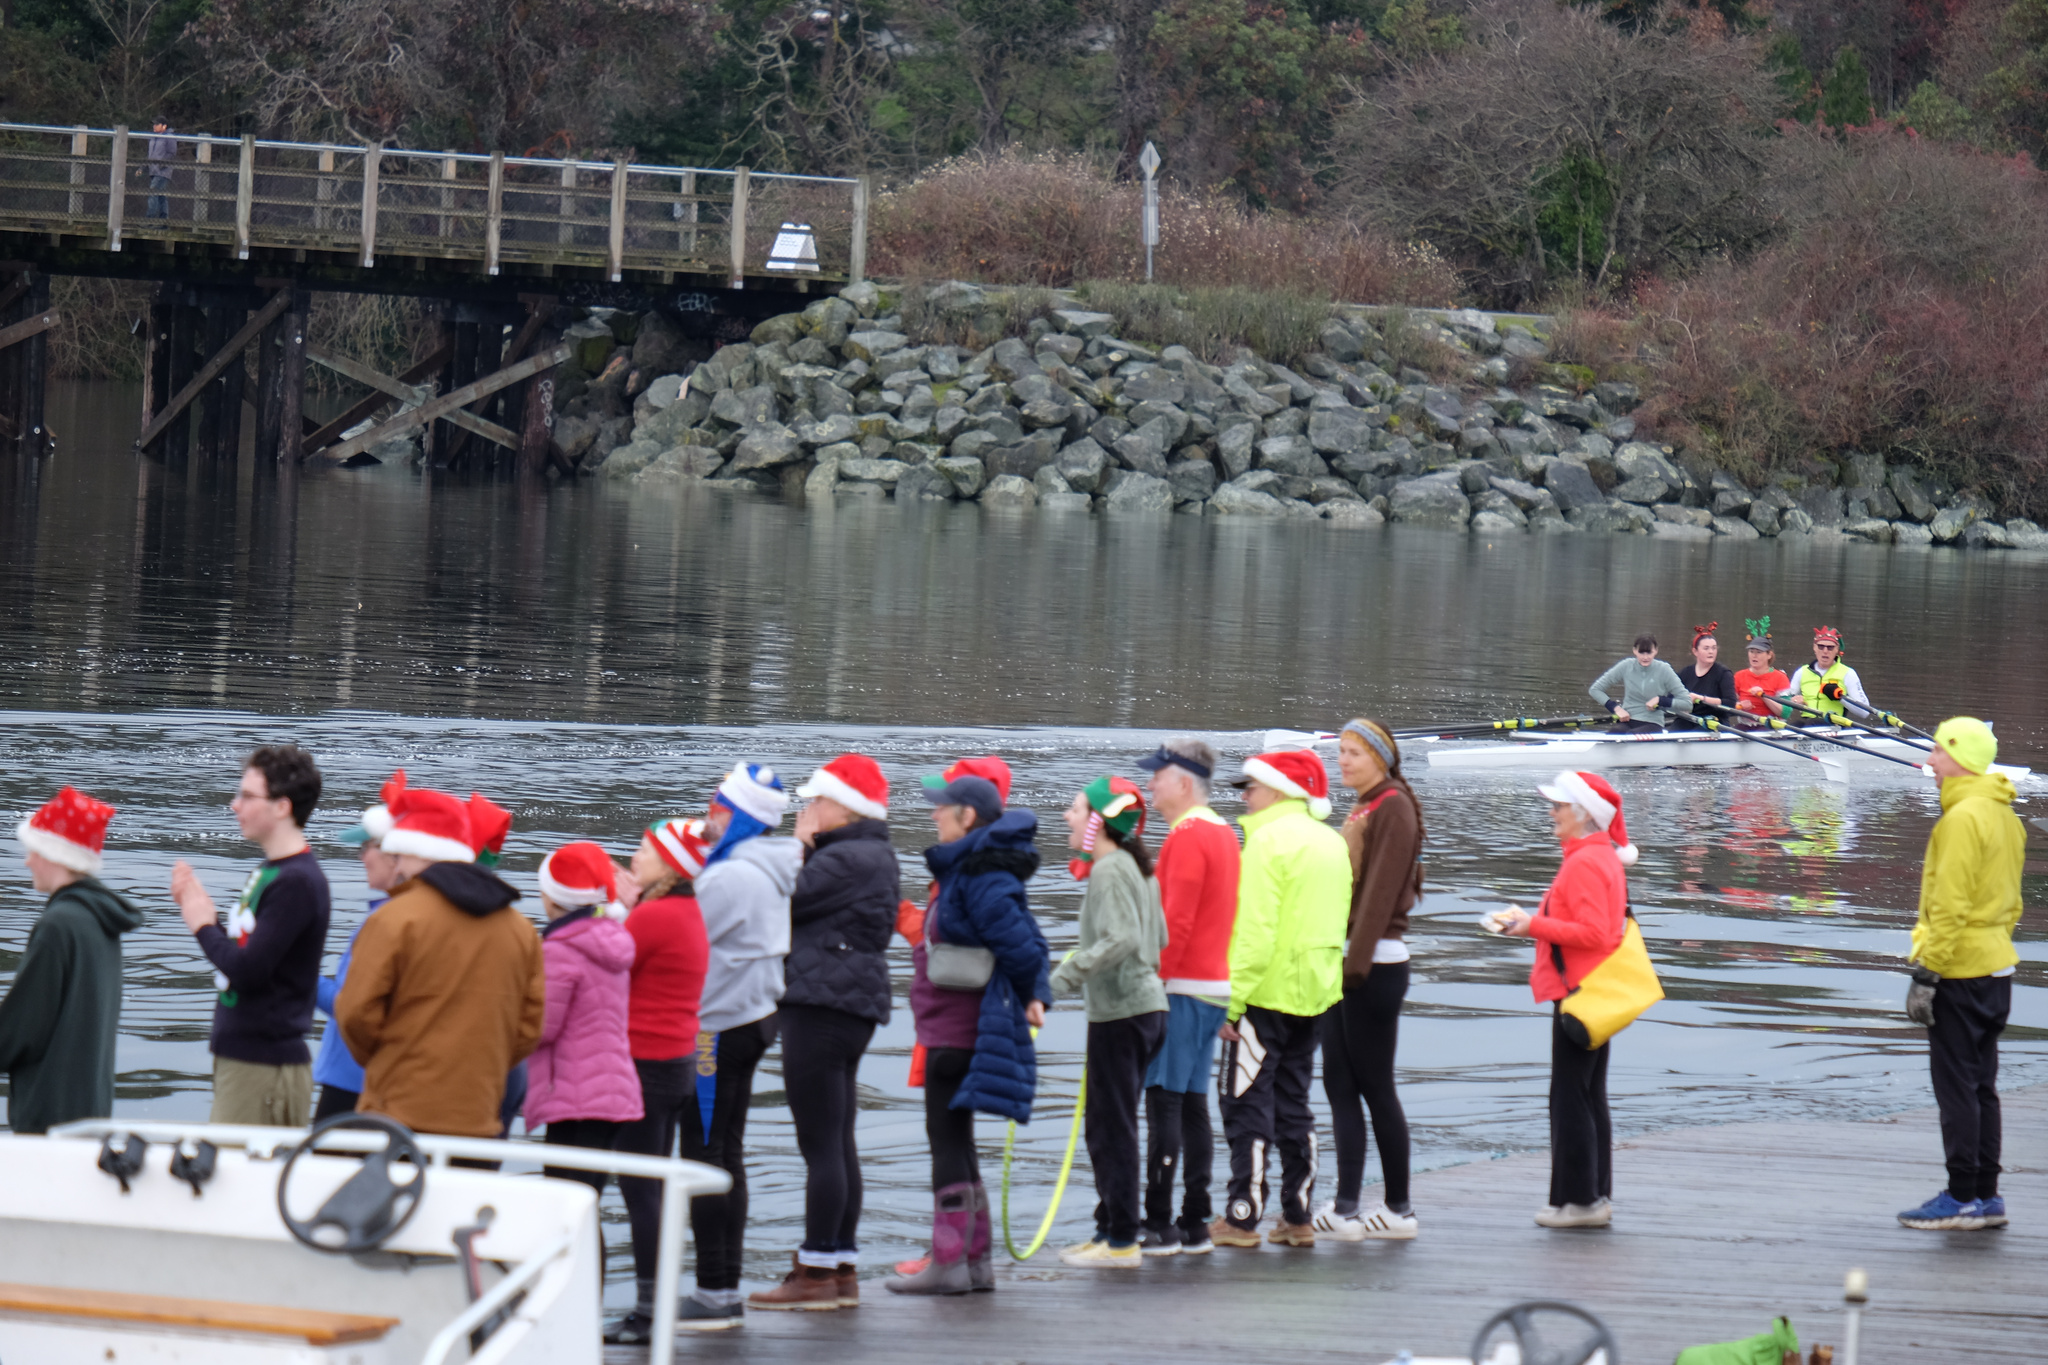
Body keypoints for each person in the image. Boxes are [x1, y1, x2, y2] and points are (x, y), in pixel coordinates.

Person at [884, 771, 1051, 1297]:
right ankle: (975, 1265)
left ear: (968, 816)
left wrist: (1034, 993)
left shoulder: (979, 876)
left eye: (943, 807)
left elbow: (1023, 944)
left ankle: (950, 1264)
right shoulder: (975, 869)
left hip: (957, 1029)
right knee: (959, 1142)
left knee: (947, 1141)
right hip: (953, 1026)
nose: (934, 814)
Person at [752, 755, 900, 1309]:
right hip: (847, 1002)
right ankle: (839, 1266)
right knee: (837, 1139)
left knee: (821, 1143)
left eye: (817, 801)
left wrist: (801, 843)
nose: (807, 809)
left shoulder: (849, 857)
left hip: (822, 1003)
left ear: (843, 807)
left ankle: (816, 1271)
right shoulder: (871, 853)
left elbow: (782, 898)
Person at [335, 787, 545, 1137]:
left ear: (415, 851)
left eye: (398, 853)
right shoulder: (521, 931)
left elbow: (355, 1013)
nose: (396, 863)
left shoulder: (393, 919)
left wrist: (391, 1061)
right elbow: (528, 1028)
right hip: (478, 1119)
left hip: (396, 1115)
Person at [675, 766, 803, 1311]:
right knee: (727, 1150)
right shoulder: (774, 866)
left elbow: (684, 939)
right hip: (755, 1018)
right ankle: (722, 1284)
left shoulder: (728, 878)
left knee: (705, 1155)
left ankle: (713, 1293)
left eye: (718, 808)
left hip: (715, 1029)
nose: (709, 818)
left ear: (741, 817)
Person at [1211, 748, 1350, 1250]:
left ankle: (1241, 1215)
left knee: (1244, 1100)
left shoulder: (1266, 841)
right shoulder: (1332, 842)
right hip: (1316, 993)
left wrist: (1230, 1003)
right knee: (1294, 1102)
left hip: (1264, 993)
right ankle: (1297, 1215)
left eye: (1250, 788)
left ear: (1279, 791)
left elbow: (1254, 932)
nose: (1244, 798)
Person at [1897, 718, 2026, 1232]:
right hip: (1997, 965)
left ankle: (1961, 1197)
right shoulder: (2005, 815)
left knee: (1956, 1088)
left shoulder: (1961, 819)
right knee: (1982, 1086)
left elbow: (1948, 907)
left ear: (1960, 759)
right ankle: (1986, 1196)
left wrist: (1928, 974)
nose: (1929, 761)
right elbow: (2008, 901)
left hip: (1959, 970)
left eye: (1937, 751)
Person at [1493, 770, 1636, 1230]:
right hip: (1598, 991)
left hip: (1580, 993)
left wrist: (1531, 925)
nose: (1551, 812)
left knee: (1570, 1096)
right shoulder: (1600, 856)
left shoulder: (1586, 862)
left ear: (1583, 813)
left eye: (1559, 805)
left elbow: (1595, 933)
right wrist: (1533, 922)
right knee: (1587, 1093)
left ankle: (1579, 1203)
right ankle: (1592, 1197)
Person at [170, 745, 331, 1128]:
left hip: (263, 1064)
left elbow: (249, 971)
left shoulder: (297, 882)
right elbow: (253, 958)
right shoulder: (273, 872)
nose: (234, 804)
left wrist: (203, 926)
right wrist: (209, 923)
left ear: (282, 807)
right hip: (246, 1058)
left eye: (246, 795)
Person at [1312, 719, 1422, 1241]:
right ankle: (1346, 1206)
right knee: (1339, 1083)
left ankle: (1399, 1208)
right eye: (1340, 752)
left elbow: (1379, 894)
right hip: (1346, 961)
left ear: (1381, 756)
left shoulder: (1394, 804)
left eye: (1354, 752)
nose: (1344, 760)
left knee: (1375, 1084)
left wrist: (1352, 968)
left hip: (1374, 964)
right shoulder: (1364, 804)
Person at [606, 816, 716, 1340]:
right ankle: (656, 1303)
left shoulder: (654, 918)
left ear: (671, 864)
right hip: (677, 1063)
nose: (634, 859)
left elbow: (608, 967)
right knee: (649, 1185)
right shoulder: (688, 912)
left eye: (644, 852)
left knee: (640, 1188)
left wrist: (617, 912)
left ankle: (649, 1312)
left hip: (646, 1065)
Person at [1053, 777, 1170, 1270]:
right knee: (1107, 1123)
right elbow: (1158, 938)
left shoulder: (1109, 870)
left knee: (1111, 1129)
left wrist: (1060, 979)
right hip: (1144, 1010)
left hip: (1123, 1014)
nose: (1067, 816)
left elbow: (1122, 938)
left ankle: (1122, 1241)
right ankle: (1108, 1229)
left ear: (1098, 822)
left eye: (1076, 808)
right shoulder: (1139, 868)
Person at [1132, 737, 1238, 1257]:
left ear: (1182, 781)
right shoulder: (1223, 831)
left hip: (1181, 986)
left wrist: (1152, 985)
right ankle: (1194, 1221)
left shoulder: (1188, 836)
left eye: (1157, 775)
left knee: (1165, 1101)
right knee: (1193, 1102)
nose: (1150, 783)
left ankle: (1159, 1223)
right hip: (1214, 985)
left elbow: (1176, 921)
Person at [1, 788, 143, 1133]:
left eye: (34, 850)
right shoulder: (101, 920)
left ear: (56, 854)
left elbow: (20, 1030)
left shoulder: (58, 925)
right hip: (90, 1111)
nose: (28, 861)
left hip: (49, 1115)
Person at [526, 843, 642, 1248]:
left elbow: (541, 1027)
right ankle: (588, 1303)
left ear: (549, 896)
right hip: (610, 1090)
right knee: (585, 1207)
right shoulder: (612, 938)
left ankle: (569, 1305)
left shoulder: (559, 951)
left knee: (564, 1209)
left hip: (575, 1096)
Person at [313, 775, 404, 1122]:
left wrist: (295, 972)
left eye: (365, 848)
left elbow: (347, 1004)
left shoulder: (383, 923)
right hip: (378, 1080)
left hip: (349, 1080)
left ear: (393, 856)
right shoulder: (404, 918)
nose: (361, 857)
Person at [1587, 634, 1692, 732]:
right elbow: (1595, 689)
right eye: (1641, 653)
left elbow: (1687, 704)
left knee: (1629, 738)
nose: (1645, 657)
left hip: (1653, 723)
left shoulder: (1664, 669)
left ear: (1656, 651)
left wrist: (1661, 700)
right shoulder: (1626, 666)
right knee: (1615, 733)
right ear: (1634, 651)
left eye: (1649, 652)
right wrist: (1616, 708)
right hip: (1628, 720)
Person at [1785, 626, 1871, 724]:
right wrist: (1794, 701)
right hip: (1807, 723)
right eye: (1820, 646)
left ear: (1837, 650)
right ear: (1814, 648)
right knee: (1794, 725)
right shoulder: (1802, 671)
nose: (1825, 651)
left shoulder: (1848, 673)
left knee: (1811, 724)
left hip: (1834, 724)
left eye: (1830, 648)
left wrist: (1840, 697)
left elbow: (1865, 712)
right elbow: (1785, 702)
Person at [1671, 623, 1737, 727]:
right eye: (1706, 648)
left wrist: (1701, 698)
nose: (1711, 652)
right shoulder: (1686, 672)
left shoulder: (1724, 673)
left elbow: (1730, 703)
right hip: (1689, 719)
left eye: (1714, 648)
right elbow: (1670, 696)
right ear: (1695, 651)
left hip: (1715, 722)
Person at [1731, 618, 1791, 723]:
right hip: (1745, 726)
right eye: (1751, 651)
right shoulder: (1739, 676)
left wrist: (1763, 696)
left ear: (1769, 655)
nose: (1754, 655)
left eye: (1759, 652)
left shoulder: (1780, 678)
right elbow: (1727, 705)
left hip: (1771, 728)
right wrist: (1739, 706)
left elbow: (1786, 712)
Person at [146, 119, 174, 219]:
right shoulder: (153, 138)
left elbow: (171, 153)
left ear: (164, 126)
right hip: (153, 171)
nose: (154, 126)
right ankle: (163, 220)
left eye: (157, 124)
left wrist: (162, 165)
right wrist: (143, 166)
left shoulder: (169, 137)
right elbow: (150, 155)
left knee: (153, 192)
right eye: (154, 124)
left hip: (163, 171)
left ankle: (150, 219)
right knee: (161, 196)